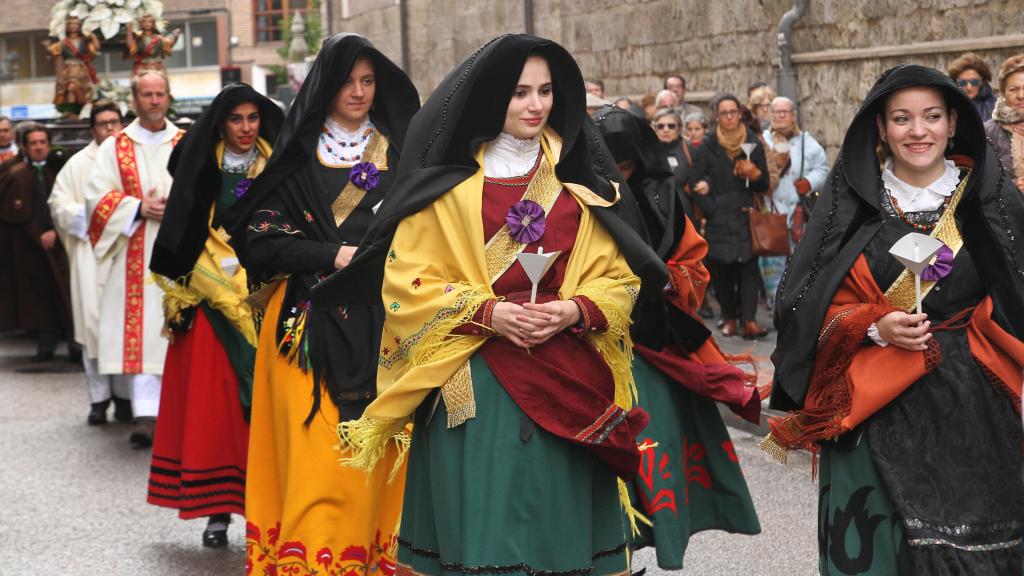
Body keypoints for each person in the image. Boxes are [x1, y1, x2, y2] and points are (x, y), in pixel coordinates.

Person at [313, 33, 665, 576]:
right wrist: (488, 313)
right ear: (490, 97)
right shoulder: (447, 187)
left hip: (568, 372)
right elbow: (407, 280)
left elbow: (619, 279)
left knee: (556, 527)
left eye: (546, 91)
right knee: (485, 532)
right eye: (520, 92)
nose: (535, 105)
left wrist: (574, 310)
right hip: (475, 382)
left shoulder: (579, 183)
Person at [765, 64, 1024, 574]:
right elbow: (801, 305)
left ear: (953, 122)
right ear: (880, 129)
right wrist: (871, 325)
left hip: (974, 401)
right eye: (901, 119)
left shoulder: (993, 200)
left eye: (931, 116)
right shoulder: (849, 207)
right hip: (874, 397)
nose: (918, 131)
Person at [221, 34, 420, 573]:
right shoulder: (297, 157)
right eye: (348, 81)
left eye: (368, 81)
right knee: (318, 457)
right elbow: (259, 238)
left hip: (387, 326)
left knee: (382, 453)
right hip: (302, 330)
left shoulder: (403, 154)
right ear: (324, 87)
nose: (358, 92)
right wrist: (335, 254)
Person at [595, 104, 762, 570]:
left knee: (654, 448)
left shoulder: (664, 195)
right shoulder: (574, 195)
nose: (617, 177)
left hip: (654, 347)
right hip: (590, 346)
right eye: (607, 166)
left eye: (625, 167)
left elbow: (694, 266)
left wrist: (664, 279)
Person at [146, 83, 283, 548]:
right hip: (211, 297)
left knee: (272, 405)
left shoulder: (279, 164)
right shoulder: (202, 166)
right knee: (217, 407)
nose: (246, 128)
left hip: (271, 293)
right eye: (236, 119)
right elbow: (183, 232)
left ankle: (272, 504)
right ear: (221, 124)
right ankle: (218, 509)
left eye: (253, 118)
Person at [85, 69, 184, 448]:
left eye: (160, 93)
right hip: (135, 252)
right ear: (135, 99)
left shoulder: (186, 142)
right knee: (143, 334)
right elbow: (96, 198)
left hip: (181, 254)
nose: (155, 101)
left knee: (176, 330)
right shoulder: (115, 146)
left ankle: (175, 414)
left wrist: (179, 207)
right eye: (147, 94)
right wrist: (138, 207)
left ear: (168, 97)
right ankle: (145, 417)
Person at [48, 100, 131, 424]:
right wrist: (90, 217)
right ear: (92, 129)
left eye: (114, 122)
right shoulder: (78, 164)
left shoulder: (130, 159)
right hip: (90, 254)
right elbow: (58, 203)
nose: (110, 128)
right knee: (93, 328)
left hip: (124, 251)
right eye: (103, 123)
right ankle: (99, 400)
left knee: (123, 329)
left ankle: (125, 399)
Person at [692, 94, 770, 339]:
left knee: (748, 270)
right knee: (722, 269)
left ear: (740, 113)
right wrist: (711, 208)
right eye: (724, 112)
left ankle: (749, 320)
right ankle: (729, 317)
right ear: (716, 116)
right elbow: (695, 181)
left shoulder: (752, 143)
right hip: (719, 219)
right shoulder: (708, 144)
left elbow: (764, 183)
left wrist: (755, 174)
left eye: (733, 112)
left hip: (745, 215)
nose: (729, 117)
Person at [0, 122, 73, 362]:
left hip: (62, 244)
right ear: (24, 146)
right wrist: (37, 234)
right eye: (33, 143)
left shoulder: (62, 170)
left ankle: (74, 343)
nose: (39, 148)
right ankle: (46, 344)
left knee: (68, 294)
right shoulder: (15, 175)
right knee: (38, 298)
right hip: (30, 248)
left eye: (43, 142)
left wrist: (54, 230)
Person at [759, 96, 829, 306]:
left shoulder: (808, 143)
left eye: (786, 112)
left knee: (801, 261)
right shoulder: (761, 141)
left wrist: (809, 182)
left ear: (793, 115)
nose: (781, 116)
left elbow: (823, 168)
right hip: (771, 212)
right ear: (771, 115)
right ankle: (775, 302)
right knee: (774, 261)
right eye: (777, 112)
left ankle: (797, 302)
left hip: (799, 213)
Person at [984, 53, 1024, 192]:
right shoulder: (989, 131)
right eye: (1013, 89)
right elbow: (981, 179)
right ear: (1003, 93)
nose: (1021, 96)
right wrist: (1011, 187)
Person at [45, 16, 100, 115]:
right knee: (70, 87)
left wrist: (92, 35)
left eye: (75, 24)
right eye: (70, 24)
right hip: (69, 70)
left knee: (83, 90)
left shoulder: (84, 41)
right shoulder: (63, 43)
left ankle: (82, 111)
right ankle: (70, 111)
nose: (73, 26)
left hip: (82, 70)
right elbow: (55, 55)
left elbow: (96, 47)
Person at [651, 107, 696, 221]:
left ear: (679, 128)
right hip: (656, 214)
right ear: (654, 128)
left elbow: (701, 175)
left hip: (686, 213)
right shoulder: (647, 150)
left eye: (671, 126)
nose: (666, 130)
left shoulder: (689, 148)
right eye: (660, 126)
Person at [948, 51, 997, 123]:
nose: (969, 87)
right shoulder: (948, 104)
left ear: (982, 81)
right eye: (963, 82)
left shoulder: (995, 105)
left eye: (974, 82)